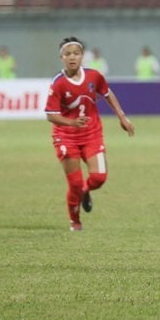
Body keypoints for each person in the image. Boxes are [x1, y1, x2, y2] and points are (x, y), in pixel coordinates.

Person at [44, 37, 134, 231]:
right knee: (74, 183)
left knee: (99, 178)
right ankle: (75, 221)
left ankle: (86, 191)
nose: (72, 57)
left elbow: (108, 93)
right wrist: (72, 122)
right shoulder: (58, 83)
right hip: (66, 137)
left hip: (92, 134)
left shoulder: (94, 76)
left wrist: (122, 117)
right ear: (61, 57)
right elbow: (50, 115)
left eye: (76, 53)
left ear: (82, 56)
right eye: (67, 54)